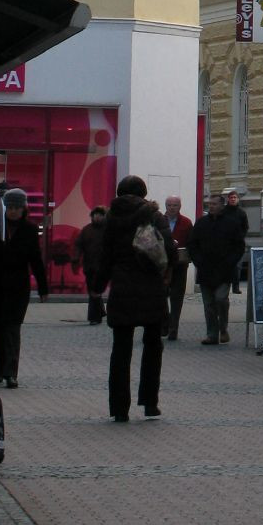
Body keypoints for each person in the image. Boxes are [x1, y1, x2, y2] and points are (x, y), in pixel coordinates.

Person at [91, 175, 176, 421]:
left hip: (123, 289)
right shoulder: (154, 216)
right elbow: (169, 250)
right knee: (152, 347)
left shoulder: (112, 219)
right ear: (143, 192)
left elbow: (105, 256)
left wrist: (97, 286)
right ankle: (150, 403)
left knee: (121, 350)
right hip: (151, 287)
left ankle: (119, 409)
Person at [0, 188, 48, 389]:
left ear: (24, 209)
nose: (13, 211)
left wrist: (43, 287)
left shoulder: (29, 229)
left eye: (17, 207)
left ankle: (11, 373)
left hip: (18, 287)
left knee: (12, 328)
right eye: (10, 207)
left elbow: (36, 259)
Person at [190, 191, 245, 344]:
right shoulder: (201, 223)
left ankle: (223, 328)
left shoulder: (231, 223)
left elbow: (239, 246)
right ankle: (212, 334)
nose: (211, 207)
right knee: (208, 305)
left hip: (224, 270)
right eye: (209, 204)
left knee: (221, 299)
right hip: (205, 269)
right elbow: (192, 244)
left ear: (222, 205)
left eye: (214, 204)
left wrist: (231, 261)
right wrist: (198, 260)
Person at [161, 194, 194, 341]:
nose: (172, 208)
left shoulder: (186, 222)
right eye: (169, 205)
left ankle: (174, 328)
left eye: (174, 205)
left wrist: (188, 255)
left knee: (177, 297)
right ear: (165, 206)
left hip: (180, 265)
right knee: (160, 296)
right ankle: (165, 323)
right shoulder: (159, 221)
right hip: (162, 265)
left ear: (179, 206)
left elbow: (191, 242)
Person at [74, 206, 108, 325]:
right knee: (93, 291)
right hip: (89, 265)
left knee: (94, 291)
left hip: (103, 265)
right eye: (95, 215)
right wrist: (76, 258)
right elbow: (79, 245)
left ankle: (94, 317)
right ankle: (100, 312)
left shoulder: (108, 230)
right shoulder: (86, 230)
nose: (97, 217)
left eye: (100, 215)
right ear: (92, 216)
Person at [223, 185, 249, 291]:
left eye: (235, 197)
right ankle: (226, 285)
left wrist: (240, 236)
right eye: (231, 197)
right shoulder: (223, 212)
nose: (233, 199)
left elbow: (245, 227)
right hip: (225, 244)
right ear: (228, 199)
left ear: (238, 199)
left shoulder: (241, 213)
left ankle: (236, 286)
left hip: (238, 244)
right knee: (226, 265)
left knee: (237, 265)